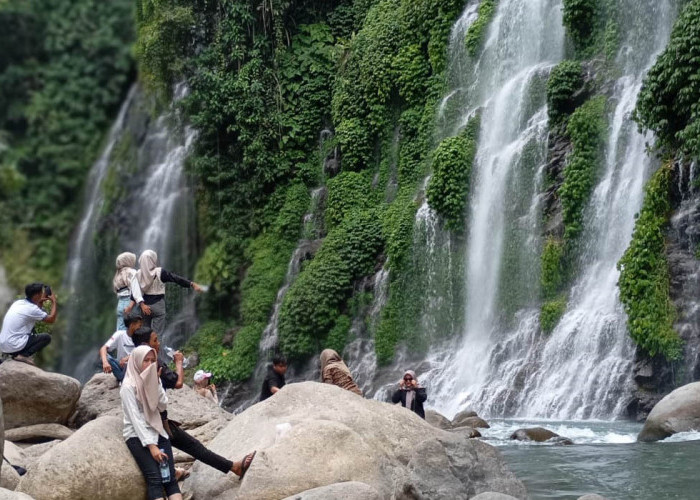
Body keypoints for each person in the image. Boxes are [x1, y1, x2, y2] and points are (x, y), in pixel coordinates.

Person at [131, 327, 255, 479]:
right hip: (157, 422)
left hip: (148, 422)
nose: (159, 343)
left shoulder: (131, 363)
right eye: (155, 340)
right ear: (145, 344)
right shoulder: (155, 365)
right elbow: (177, 383)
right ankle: (234, 467)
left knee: (185, 449)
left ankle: (175, 473)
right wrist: (178, 362)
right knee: (194, 448)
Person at [121, 345, 182, 500]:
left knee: (170, 479)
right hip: (137, 435)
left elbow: (162, 406)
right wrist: (152, 446)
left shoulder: (153, 379)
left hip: (158, 430)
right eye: (145, 361)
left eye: (152, 360)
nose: (149, 364)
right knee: (155, 479)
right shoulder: (127, 386)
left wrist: (156, 383)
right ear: (136, 362)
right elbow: (135, 419)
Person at [135, 250, 203, 335]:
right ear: (153, 259)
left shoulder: (137, 274)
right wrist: (191, 284)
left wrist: (141, 304)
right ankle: (156, 348)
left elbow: (135, 292)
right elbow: (175, 278)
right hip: (158, 305)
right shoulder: (159, 272)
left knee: (144, 334)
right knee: (157, 335)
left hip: (144, 307)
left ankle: (143, 348)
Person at [0, 283, 57, 365]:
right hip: (13, 344)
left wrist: (40, 301)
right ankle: (23, 355)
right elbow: (51, 319)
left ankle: (12, 355)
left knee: (31, 331)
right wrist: (54, 302)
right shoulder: (32, 309)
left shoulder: (18, 303)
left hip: (4, 345)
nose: (42, 294)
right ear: (36, 295)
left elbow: (34, 312)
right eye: (41, 293)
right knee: (46, 338)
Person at [99, 312, 143, 382]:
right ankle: (124, 377)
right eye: (139, 325)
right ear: (132, 325)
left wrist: (128, 358)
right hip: (121, 366)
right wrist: (105, 362)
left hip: (135, 367)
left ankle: (124, 378)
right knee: (105, 356)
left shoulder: (142, 335)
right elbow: (103, 348)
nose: (141, 327)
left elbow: (144, 351)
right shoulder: (120, 334)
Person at [113, 252, 146, 331]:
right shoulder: (132, 272)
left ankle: (119, 343)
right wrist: (141, 304)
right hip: (130, 304)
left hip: (120, 303)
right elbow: (135, 291)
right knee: (133, 329)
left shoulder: (118, 274)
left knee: (120, 329)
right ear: (128, 261)